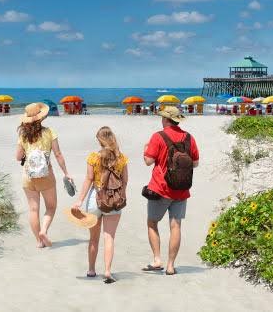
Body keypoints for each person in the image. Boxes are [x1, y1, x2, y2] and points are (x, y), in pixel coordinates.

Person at [142, 106, 199, 276]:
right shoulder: (189, 137)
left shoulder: (158, 136)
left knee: (152, 223)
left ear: (166, 120)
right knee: (176, 226)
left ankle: (157, 259)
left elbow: (148, 161)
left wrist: (145, 149)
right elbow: (195, 163)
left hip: (160, 188)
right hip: (181, 189)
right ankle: (170, 265)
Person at [72, 126, 128, 284]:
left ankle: (91, 270)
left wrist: (80, 200)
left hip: (95, 200)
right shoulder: (121, 158)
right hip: (114, 201)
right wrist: (120, 195)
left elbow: (88, 179)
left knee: (93, 239)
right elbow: (125, 181)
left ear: (99, 140)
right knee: (109, 237)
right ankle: (108, 271)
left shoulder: (93, 157)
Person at [16, 103, 73, 248]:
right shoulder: (49, 132)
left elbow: (18, 157)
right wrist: (66, 173)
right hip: (46, 175)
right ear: (41, 117)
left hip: (28, 176)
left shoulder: (22, 135)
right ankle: (44, 230)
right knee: (51, 207)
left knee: (33, 209)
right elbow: (58, 154)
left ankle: (39, 242)